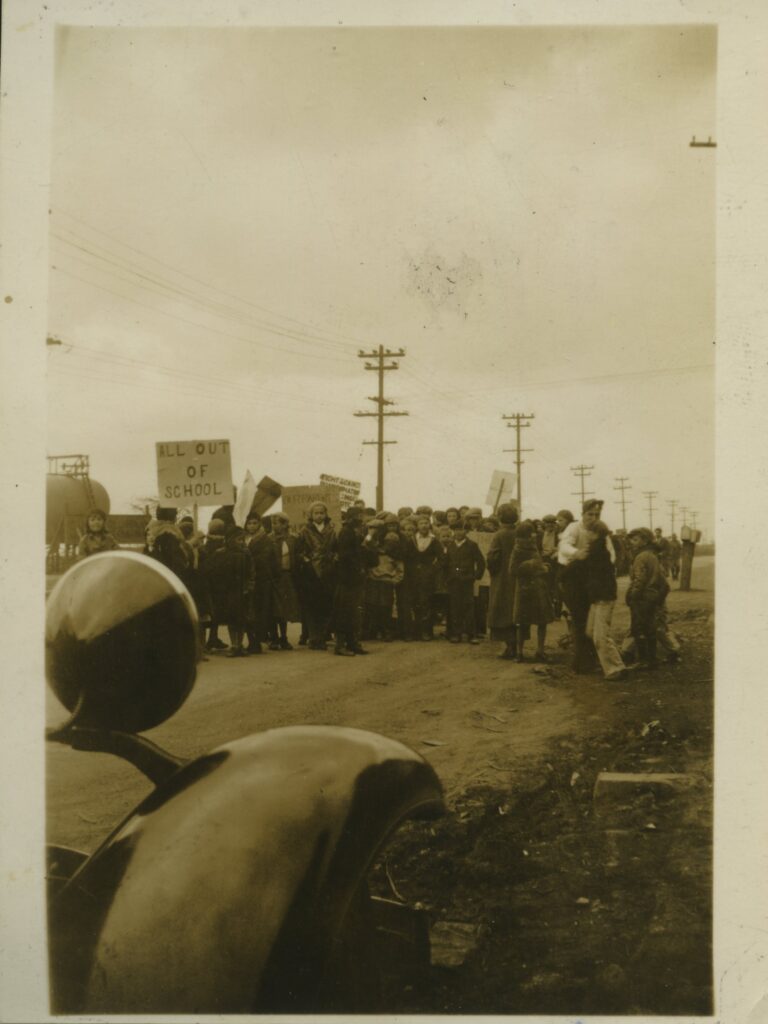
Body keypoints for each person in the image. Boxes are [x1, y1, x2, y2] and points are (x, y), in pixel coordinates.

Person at [558, 500, 602, 673]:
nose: (593, 517)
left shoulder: (597, 529)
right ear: (583, 514)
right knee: (579, 619)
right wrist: (577, 553)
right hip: (570, 574)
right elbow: (564, 545)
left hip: (587, 576)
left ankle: (588, 660)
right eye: (590, 514)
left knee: (589, 619)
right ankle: (580, 663)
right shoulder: (574, 528)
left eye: (596, 514)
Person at [583, 521, 627, 680]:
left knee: (600, 636)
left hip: (602, 597)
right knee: (591, 632)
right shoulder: (599, 548)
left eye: (587, 531)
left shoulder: (597, 551)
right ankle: (613, 661)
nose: (585, 534)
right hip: (599, 597)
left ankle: (616, 668)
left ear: (594, 533)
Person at [331, 507, 378, 655]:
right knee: (345, 611)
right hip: (347, 578)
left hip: (355, 578)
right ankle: (340, 645)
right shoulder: (346, 532)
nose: (361, 518)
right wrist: (359, 566)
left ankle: (352, 642)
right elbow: (347, 555)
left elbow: (363, 550)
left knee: (354, 613)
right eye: (358, 515)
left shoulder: (357, 532)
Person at [625, 527, 669, 669]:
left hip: (643, 597)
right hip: (652, 596)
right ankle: (652, 660)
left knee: (639, 629)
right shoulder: (652, 555)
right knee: (650, 628)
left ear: (644, 541)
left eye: (636, 539)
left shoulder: (641, 556)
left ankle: (643, 661)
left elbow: (640, 580)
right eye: (632, 539)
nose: (632, 542)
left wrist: (632, 596)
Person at [296, 501, 338, 651]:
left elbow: (335, 549)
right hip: (311, 573)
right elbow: (299, 551)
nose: (319, 515)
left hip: (327, 572)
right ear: (311, 515)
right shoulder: (305, 531)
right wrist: (307, 562)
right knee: (312, 606)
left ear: (326, 514)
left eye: (322, 513)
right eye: (316, 513)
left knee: (326, 605)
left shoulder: (332, 530)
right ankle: (314, 638)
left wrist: (333, 559)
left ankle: (322, 635)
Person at [510, 522, 553, 662]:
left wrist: (542, 567)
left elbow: (537, 564)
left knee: (541, 621)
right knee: (522, 622)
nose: (533, 536)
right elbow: (513, 570)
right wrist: (534, 565)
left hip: (537, 588)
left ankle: (538, 651)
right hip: (525, 589)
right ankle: (520, 652)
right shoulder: (518, 549)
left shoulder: (533, 546)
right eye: (530, 534)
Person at [486, 502, 519, 659]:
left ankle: (509, 647)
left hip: (502, 578)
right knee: (515, 610)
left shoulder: (499, 535)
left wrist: (492, 571)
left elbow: (493, 557)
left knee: (501, 610)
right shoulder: (519, 532)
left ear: (500, 517)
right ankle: (516, 647)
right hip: (517, 578)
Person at [244, 511, 279, 655]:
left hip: (261, 580)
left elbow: (266, 559)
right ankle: (253, 640)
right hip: (248, 579)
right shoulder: (244, 538)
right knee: (249, 611)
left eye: (254, 523)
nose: (252, 526)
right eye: (249, 523)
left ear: (259, 524)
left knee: (259, 611)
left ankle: (257, 641)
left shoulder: (265, 539)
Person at [446, 522, 486, 643]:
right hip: (453, 581)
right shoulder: (450, 545)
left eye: (462, 530)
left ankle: (471, 634)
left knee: (468, 606)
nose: (459, 532)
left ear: (466, 532)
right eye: (456, 530)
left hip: (467, 580)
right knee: (455, 606)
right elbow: (446, 563)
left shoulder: (472, 545)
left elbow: (481, 562)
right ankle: (456, 633)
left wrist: (475, 576)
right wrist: (448, 576)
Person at [268, 513, 301, 650]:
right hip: (273, 578)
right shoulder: (268, 539)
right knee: (273, 608)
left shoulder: (293, 539)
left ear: (285, 524)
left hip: (287, 577)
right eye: (273, 523)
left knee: (284, 608)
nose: (275, 526)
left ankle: (284, 637)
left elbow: (296, 556)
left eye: (278, 523)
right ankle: (274, 637)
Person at [411, 515, 442, 640]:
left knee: (427, 602)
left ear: (429, 525)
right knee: (415, 602)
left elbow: (441, 558)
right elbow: (407, 556)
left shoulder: (434, 541)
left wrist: (433, 569)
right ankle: (416, 631)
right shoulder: (412, 540)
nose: (424, 525)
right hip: (414, 576)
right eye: (421, 523)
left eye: (426, 523)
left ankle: (426, 632)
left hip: (428, 577)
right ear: (417, 526)